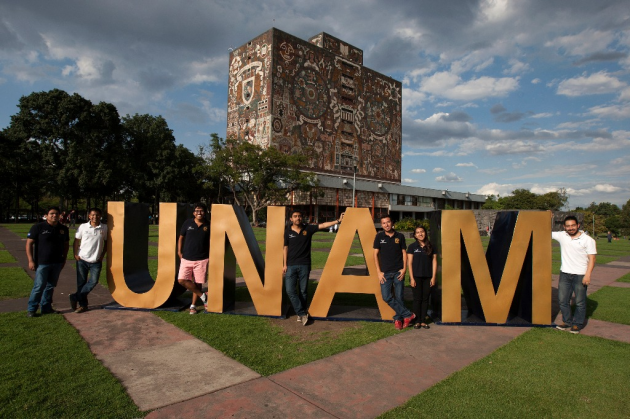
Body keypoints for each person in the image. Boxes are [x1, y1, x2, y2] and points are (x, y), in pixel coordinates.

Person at [283, 210, 344, 326]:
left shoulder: (308, 229)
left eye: (299, 216)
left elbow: (323, 225)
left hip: (305, 264)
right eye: (295, 216)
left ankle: (301, 314)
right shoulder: (287, 232)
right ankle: (301, 313)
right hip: (291, 265)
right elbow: (285, 248)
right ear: (291, 219)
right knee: (290, 290)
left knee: (303, 291)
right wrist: (285, 264)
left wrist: (338, 221)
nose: (298, 218)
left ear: (302, 218)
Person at [553, 215, 597, 334]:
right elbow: (544, 231)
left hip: (580, 275)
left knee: (579, 301)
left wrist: (588, 275)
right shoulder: (562, 235)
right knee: (562, 300)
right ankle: (567, 321)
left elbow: (592, 259)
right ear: (564, 227)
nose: (570, 228)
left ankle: (577, 324)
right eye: (568, 226)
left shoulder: (588, 240)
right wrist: (548, 217)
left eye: (573, 225)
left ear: (578, 225)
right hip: (565, 274)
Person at [25, 207, 70, 317]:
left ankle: (46, 307)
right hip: (42, 262)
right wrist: (31, 260)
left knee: (50, 286)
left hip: (57, 262)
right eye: (52, 213)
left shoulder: (63, 229)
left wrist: (64, 259)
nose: (54, 215)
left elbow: (66, 245)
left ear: (60, 215)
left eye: (57, 214)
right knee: (39, 286)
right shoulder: (38, 227)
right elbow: (29, 244)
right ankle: (32, 309)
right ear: (46, 215)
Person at [373, 214, 415, 330]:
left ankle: (398, 319)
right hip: (385, 273)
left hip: (398, 272)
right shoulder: (379, 237)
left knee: (399, 297)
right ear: (381, 225)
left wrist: (404, 269)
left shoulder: (400, 236)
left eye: (388, 222)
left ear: (392, 223)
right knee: (386, 297)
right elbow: (375, 254)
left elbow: (404, 253)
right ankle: (408, 314)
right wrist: (378, 272)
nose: (386, 225)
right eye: (384, 223)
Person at [69, 208, 107, 313]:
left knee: (93, 281)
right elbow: (76, 241)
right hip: (82, 259)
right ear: (89, 216)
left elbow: (107, 243)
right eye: (93, 215)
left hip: (96, 260)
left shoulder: (104, 227)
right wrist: (75, 254)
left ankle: (75, 297)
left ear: (100, 216)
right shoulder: (83, 227)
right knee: (81, 283)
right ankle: (83, 305)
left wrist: (102, 255)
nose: (95, 217)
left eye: (98, 215)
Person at [178, 203, 210, 314]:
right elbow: (181, 237)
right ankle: (203, 296)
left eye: (201, 210)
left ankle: (193, 306)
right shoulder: (188, 223)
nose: (199, 213)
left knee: (197, 283)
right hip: (187, 258)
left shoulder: (208, 225)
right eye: (197, 211)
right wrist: (179, 251)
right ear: (193, 213)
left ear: (205, 212)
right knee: (181, 280)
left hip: (202, 259)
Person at [407, 226, 437, 329]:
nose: (420, 234)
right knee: (417, 299)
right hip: (416, 277)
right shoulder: (412, 247)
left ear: (425, 233)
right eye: (418, 232)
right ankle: (417, 320)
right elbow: (409, 263)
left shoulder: (431, 246)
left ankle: (423, 320)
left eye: (422, 231)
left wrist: (433, 277)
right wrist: (411, 278)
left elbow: (434, 262)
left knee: (425, 299)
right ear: (415, 235)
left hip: (428, 277)